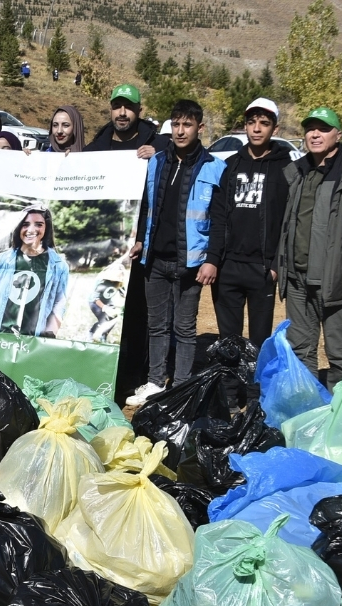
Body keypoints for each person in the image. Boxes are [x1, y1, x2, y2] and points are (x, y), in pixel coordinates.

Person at [125, 99, 225, 407]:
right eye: (176, 124)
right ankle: (155, 382)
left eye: (187, 125)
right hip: (155, 259)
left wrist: (212, 259)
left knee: (184, 328)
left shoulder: (214, 167)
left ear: (200, 128)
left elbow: (221, 220)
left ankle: (181, 386)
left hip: (190, 263)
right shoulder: (157, 162)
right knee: (157, 326)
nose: (180, 131)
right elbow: (146, 207)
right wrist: (141, 239)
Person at [276, 107, 342, 388]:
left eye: (323, 129)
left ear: (338, 134)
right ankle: (309, 412)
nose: (315, 134)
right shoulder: (299, 170)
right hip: (298, 277)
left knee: (339, 353)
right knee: (300, 348)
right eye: (310, 128)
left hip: (334, 278)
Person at [200, 98, 290, 405]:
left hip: (262, 269)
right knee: (229, 339)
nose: (256, 128)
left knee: (259, 340)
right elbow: (219, 215)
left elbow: (289, 220)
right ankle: (230, 395)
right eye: (252, 122)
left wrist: (277, 263)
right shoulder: (231, 166)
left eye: (264, 123)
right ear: (245, 125)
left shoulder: (285, 168)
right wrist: (213, 259)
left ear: (274, 128)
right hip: (229, 268)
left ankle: (255, 399)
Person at [0, 206, 69, 337]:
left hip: (32, 342)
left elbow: (59, 303)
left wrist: (48, 336)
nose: (31, 229)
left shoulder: (58, 266)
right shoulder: (2, 260)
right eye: (25, 224)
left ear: (46, 228)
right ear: (18, 227)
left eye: (39, 224)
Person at [84, 84, 167, 159]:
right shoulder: (92, 151)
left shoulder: (160, 145)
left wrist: (159, 157)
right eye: (117, 106)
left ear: (139, 111)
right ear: (111, 110)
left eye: (129, 107)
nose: (122, 113)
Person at [87, 260, 128, 343]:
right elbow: (96, 299)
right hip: (95, 302)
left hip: (107, 302)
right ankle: (91, 333)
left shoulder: (118, 282)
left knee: (114, 317)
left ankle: (103, 335)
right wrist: (105, 308)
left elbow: (122, 292)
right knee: (104, 319)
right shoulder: (102, 281)